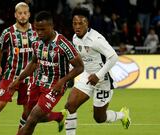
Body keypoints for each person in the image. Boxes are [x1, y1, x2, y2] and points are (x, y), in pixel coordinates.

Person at [9, 11, 84, 135]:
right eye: (37, 29)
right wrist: (18, 80)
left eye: (43, 29)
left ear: (51, 26)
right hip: (37, 82)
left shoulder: (63, 44)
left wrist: (62, 81)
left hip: (54, 86)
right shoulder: (36, 41)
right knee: (29, 116)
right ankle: (59, 116)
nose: (39, 33)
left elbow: (80, 67)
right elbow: (34, 62)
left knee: (32, 118)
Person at [64, 7, 131, 135]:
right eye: (74, 23)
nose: (77, 26)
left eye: (80, 23)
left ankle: (122, 115)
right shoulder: (75, 38)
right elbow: (79, 59)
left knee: (99, 118)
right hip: (87, 76)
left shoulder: (96, 39)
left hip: (103, 80)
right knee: (70, 105)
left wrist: (98, 75)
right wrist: (68, 73)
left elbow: (114, 57)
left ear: (87, 23)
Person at [0, 2, 38, 135]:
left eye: (25, 13)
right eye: (20, 13)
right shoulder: (8, 32)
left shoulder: (36, 32)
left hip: (29, 77)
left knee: (28, 109)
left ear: (29, 14)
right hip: (11, 74)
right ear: (15, 15)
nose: (22, 16)